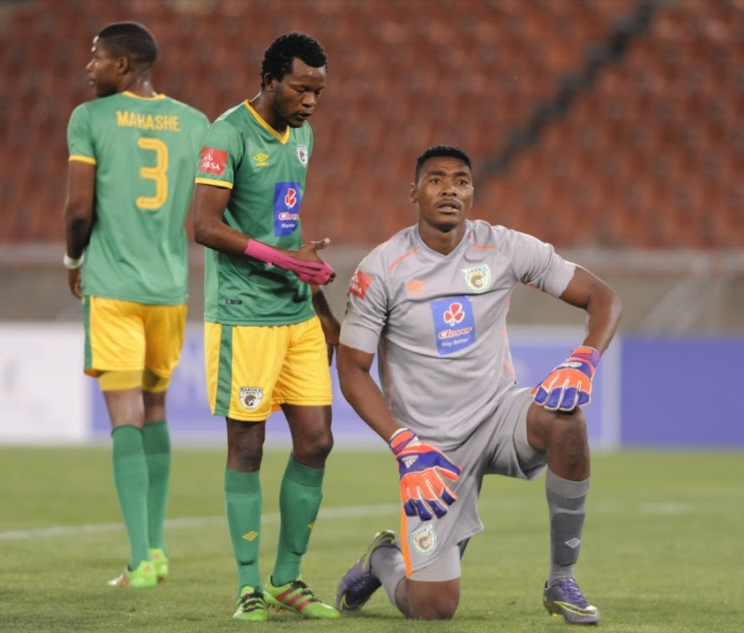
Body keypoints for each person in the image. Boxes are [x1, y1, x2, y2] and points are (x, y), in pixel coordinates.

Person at [335, 145, 622, 623]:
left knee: (567, 419)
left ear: (473, 192)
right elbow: (351, 370)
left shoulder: (504, 247)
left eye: (461, 181)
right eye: (436, 180)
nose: (450, 189)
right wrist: (404, 445)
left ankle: (561, 578)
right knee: (432, 608)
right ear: (414, 192)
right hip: (432, 448)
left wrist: (584, 359)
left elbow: (603, 297)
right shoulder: (381, 268)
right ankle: (384, 559)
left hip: (498, 417)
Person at [190, 32, 341, 622]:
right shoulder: (226, 134)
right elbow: (203, 225)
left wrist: (318, 298)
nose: (309, 102)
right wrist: (277, 258)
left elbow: (285, 224)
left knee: (318, 441)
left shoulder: (302, 135)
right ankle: (248, 585)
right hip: (244, 316)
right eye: (301, 88)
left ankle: (288, 579)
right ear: (270, 79)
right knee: (247, 446)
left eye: (318, 92)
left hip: (295, 311)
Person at [63, 21, 209, 589]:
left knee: (123, 415)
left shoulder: (90, 118)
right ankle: (159, 548)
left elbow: (79, 209)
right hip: (169, 290)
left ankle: (140, 559)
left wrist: (74, 261)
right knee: (156, 412)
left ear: (123, 67)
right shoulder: (194, 123)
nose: (88, 67)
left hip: (114, 287)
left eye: (96, 57)